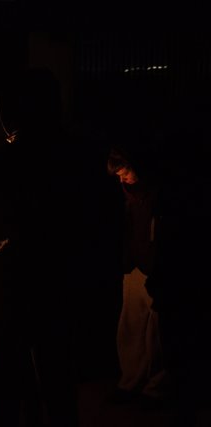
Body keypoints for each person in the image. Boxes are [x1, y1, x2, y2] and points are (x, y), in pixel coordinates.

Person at [0, 69, 79, 427]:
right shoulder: (74, 156)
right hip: (58, 287)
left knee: (9, 389)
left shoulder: (5, 161)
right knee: (58, 387)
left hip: (10, 289)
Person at [106, 146, 168, 408]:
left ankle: (156, 388)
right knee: (130, 326)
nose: (123, 179)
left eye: (126, 173)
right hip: (133, 267)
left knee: (157, 332)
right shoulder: (127, 197)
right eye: (119, 175)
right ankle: (130, 381)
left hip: (156, 268)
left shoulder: (158, 195)